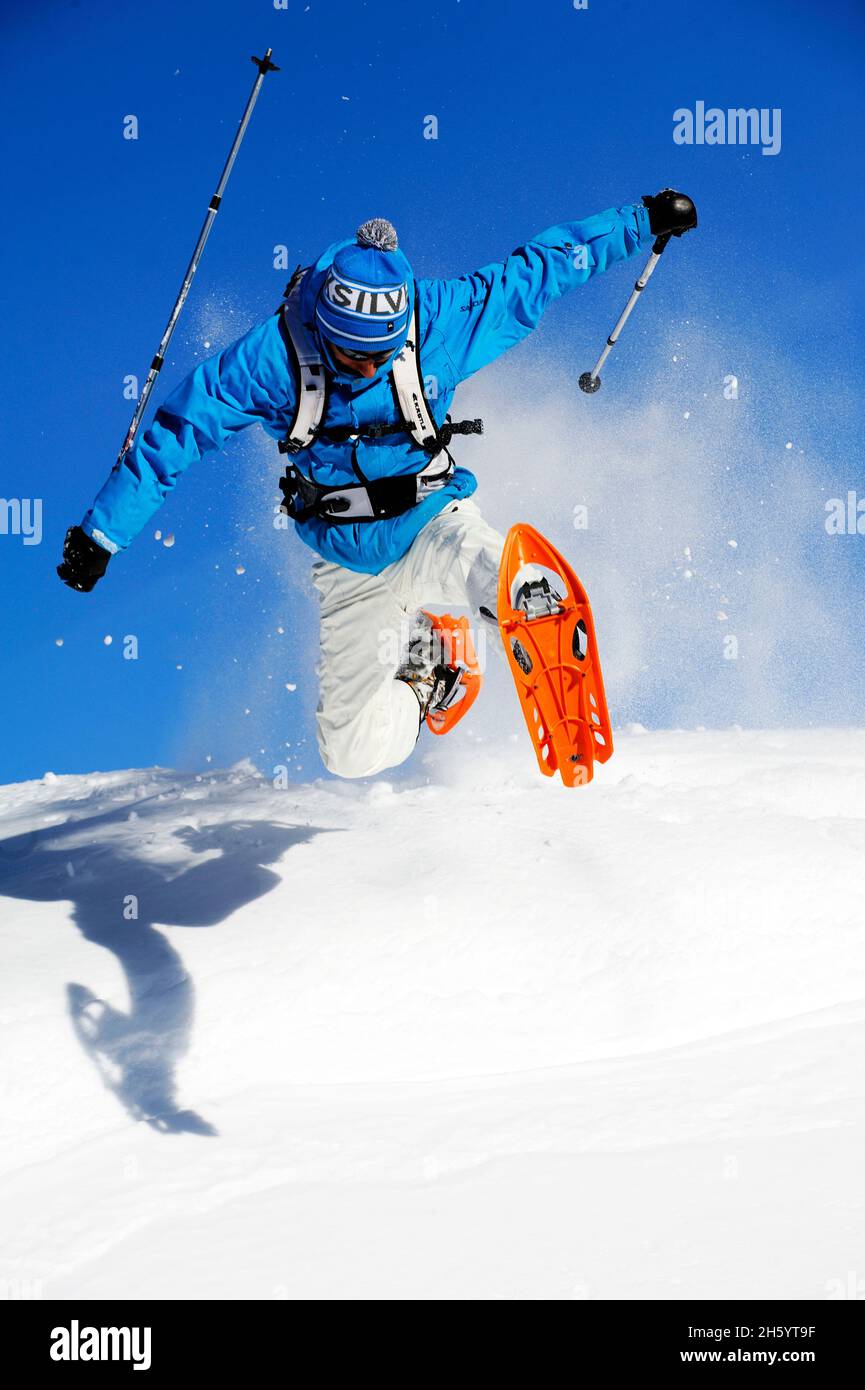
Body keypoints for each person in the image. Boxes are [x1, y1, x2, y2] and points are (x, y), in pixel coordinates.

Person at [58, 190, 697, 778]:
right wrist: (103, 533)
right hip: (345, 563)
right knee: (348, 753)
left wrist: (640, 220)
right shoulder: (271, 359)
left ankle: (526, 597)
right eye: (352, 355)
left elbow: (541, 269)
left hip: (432, 522)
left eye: (380, 354)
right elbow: (180, 430)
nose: (366, 366)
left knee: (493, 572)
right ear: (322, 330)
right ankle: (433, 674)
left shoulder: (441, 317)